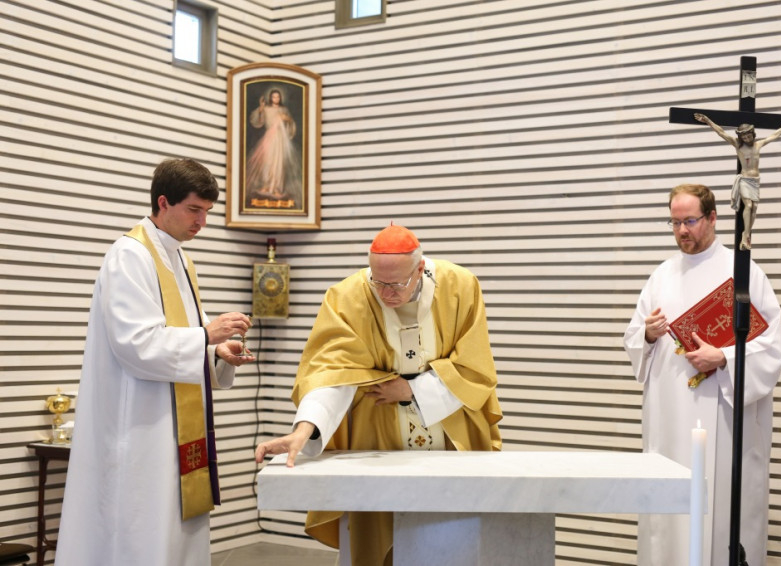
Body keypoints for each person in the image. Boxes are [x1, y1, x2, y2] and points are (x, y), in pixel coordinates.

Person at [255, 224, 502, 566]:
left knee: (449, 540)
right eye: (378, 282)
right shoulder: (348, 296)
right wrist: (305, 428)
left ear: (420, 268)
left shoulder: (460, 286)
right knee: (376, 537)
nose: (386, 294)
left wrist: (412, 389)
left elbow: (475, 366)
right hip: (376, 432)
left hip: (446, 430)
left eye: (397, 284)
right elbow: (331, 371)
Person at [55, 158, 255, 566]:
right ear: (163, 202)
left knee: (174, 531)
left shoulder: (179, 258)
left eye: (207, 212)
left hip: (175, 427)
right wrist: (207, 336)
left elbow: (182, 333)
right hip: (141, 426)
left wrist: (216, 353)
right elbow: (136, 344)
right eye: (193, 210)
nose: (201, 222)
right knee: (140, 529)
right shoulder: (130, 256)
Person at [623, 184, 781, 566]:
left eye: (690, 221)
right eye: (675, 222)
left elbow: (772, 347)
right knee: (670, 524)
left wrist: (724, 357)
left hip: (723, 423)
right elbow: (633, 338)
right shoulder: (661, 276)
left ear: (712, 218)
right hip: (670, 423)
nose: (682, 231)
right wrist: (647, 334)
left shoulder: (743, 274)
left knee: (720, 515)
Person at [694, 113, 781, 250]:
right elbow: (721, 132)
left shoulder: (758, 145)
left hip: (755, 180)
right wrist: (708, 120)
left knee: (755, 208)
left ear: (753, 134)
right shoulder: (738, 146)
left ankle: (747, 233)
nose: (747, 139)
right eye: (744, 137)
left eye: (749, 136)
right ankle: (745, 235)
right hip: (745, 179)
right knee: (749, 206)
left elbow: (775, 135)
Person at [246, 87, 302, 208]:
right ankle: (266, 185)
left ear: (280, 98)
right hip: (269, 137)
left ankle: (277, 188)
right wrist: (261, 109)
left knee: (279, 164)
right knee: (267, 161)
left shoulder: (284, 110)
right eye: (273, 96)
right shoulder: (266, 109)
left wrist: (287, 119)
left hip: (280, 139)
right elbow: (258, 122)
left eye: (277, 96)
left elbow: (290, 124)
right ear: (270, 98)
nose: (275, 98)